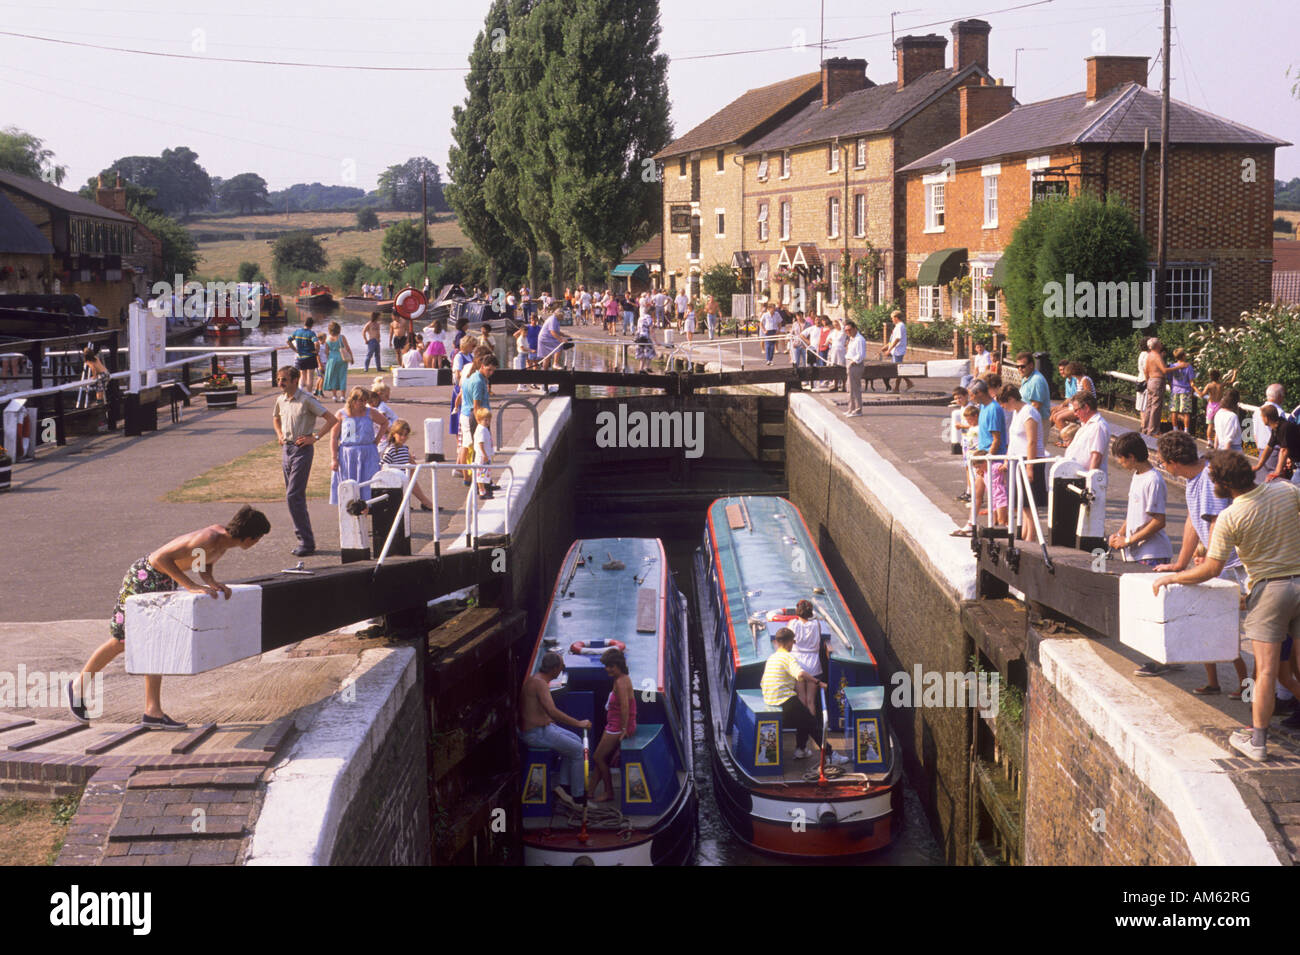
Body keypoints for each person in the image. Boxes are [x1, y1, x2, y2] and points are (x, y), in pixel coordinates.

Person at [1154, 451, 1300, 761]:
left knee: (1267, 672)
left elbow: (1210, 569)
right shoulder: (1286, 490)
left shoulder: (1229, 517)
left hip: (1270, 591)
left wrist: (1175, 577)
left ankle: (1257, 743)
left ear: (1220, 483)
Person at [69, 506, 270, 728]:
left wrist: (211, 582)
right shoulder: (210, 537)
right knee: (121, 641)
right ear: (251, 537)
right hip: (145, 577)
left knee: (153, 645)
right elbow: (162, 558)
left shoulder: (222, 543)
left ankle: (152, 711)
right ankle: (79, 685)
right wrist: (191, 585)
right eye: (259, 538)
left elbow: (201, 563)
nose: (257, 542)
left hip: (162, 581)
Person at [1153, 430, 1249, 692]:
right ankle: (1214, 682)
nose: (1163, 466)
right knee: (1207, 622)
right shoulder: (1195, 478)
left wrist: (1207, 558)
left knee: (1223, 627)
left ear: (1174, 462)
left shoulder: (1208, 479)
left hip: (1229, 566)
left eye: (1162, 461)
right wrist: (1180, 563)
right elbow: (1193, 521)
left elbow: (1217, 522)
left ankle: (1245, 685)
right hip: (1216, 563)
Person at [272, 367, 337, 557]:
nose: (280, 383)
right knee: (293, 497)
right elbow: (276, 418)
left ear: (294, 380)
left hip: (302, 451)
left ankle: (306, 542)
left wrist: (314, 437)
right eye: (278, 380)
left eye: (284, 380)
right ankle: (305, 541)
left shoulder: (306, 399)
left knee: (294, 496)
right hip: (287, 450)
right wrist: (279, 434)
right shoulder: (280, 400)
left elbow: (331, 419)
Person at [761, 628, 848, 763]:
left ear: (777, 642)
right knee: (812, 722)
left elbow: (763, 682)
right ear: (789, 642)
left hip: (770, 699)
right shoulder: (788, 657)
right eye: (793, 642)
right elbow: (800, 674)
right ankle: (830, 755)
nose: (793, 644)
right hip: (784, 700)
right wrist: (817, 682)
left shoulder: (772, 658)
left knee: (804, 718)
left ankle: (801, 750)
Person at [519, 652, 592, 803]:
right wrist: (578, 723)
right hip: (535, 733)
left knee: (576, 740)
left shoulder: (537, 680)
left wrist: (548, 719)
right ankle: (578, 797)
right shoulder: (539, 683)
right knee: (578, 750)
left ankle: (564, 787)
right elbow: (552, 711)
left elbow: (540, 711)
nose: (561, 670)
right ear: (554, 669)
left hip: (542, 728)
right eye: (562, 667)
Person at [1107, 432, 1170, 570]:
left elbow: (1159, 521)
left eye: (1121, 458)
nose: (1119, 462)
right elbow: (1134, 514)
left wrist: (1128, 541)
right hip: (1137, 554)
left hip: (1152, 555)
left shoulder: (1153, 480)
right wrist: (1120, 534)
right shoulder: (1137, 476)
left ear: (1131, 457)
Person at [997, 384, 1046, 541]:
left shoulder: (1029, 412)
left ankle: (1030, 537)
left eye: (1004, 403)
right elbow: (1014, 440)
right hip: (1017, 460)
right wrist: (1006, 460)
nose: (1003, 407)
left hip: (1030, 459)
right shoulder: (1017, 413)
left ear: (1011, 399)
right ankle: (1025, 534)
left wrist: (1030, 467)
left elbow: (1032, 441)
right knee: (1022, 502)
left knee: (1029, 501)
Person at [589, 647, 636, 802]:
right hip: (614, 725)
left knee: (598, 757)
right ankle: (590, 792)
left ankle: (609, 792)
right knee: (600, 758)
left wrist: (623, 729)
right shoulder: (620, 678)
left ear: (618, 665)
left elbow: (625, 706)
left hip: (618, 727)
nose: (607, 669)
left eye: (611, 666)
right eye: (606, 666)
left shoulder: (621, 682)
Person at [329, 387, 387, 507]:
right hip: (348, 455)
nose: (363, 404)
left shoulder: (370, 412)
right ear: (353, 400)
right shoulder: (341, 414)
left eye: (365, 400)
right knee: (349, 484)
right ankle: (349, 509)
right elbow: (334, 437)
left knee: (368, 482)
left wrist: (376, 440)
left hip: (368, 453)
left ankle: (368, 509)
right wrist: (334, 458)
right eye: (360, 400)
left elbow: (385, 422)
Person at [381, 419, 433, 511]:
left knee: (410, 477)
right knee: (409, 478)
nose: (403, 438)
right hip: (394, 480)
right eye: (400, 435)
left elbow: (413, 465)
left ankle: (421, 501)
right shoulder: (391, 450)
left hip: (404, 478)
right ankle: (425, 502)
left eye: (405, 435)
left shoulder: (404, 448)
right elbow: (383, 467)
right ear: (393, 434)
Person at [789, 600, 826, 713]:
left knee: (801, 698)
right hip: (813, 664)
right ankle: (812, 727)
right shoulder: (816, 624)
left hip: (798, 664)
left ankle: (802, 727)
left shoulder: (793, 624)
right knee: (811, 701)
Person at [1063, 392, 1110, 475]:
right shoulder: (1087, 424)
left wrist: (1089, 481)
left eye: (1076, 410)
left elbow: (1096, 457)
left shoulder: (1097, 426)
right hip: (1077, 476)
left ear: (1086, 408)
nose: (1075, 414)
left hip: (1084, 479)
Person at [1256, 404, 1300, 484]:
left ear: (1266, 418)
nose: (1261, 419)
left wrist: (1277, 472)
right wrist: (1258, 466)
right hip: (1297, 463)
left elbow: (1284, 450)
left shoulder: (1284, 427)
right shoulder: (1276, 428)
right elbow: (1269, 448)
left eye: (1261, 417)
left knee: (1294, 488)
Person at [1252, 384, 1288, 474]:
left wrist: (1260, 448)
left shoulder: (1258, 411)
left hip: (1262, 450)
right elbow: (1282, 435)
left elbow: (1255, 432)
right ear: (1279, 396)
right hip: (1275, 451)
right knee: (1274, 478)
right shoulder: (1279, 412)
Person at [1140, 338, 1170, 436]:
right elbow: (1164, 370)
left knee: (1149, 406)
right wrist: (1180, 366)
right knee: (1156, 407)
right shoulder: (1157, 356)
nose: (1161, 344)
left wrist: (1148, 379)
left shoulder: (1149, 355)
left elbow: (1145, 370)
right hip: (1157, 381)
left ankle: (1145, 428)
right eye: (1160, 343)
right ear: (1157, 345)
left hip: (1150, 380)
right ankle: (1153, 430)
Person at [286, 315, 321, 393]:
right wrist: (316, 351)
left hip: (300, 357)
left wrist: (295, 350)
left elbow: (288, 341)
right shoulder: (311, 333)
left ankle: (300, 392)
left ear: (304, 323)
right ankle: (309, 394)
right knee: (310, 377)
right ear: (312, 325)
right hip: (310, 357)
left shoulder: (297, 332)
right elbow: (317, 343)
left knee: (302, 376)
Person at [880, 310, 912, 392]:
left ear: (896, 318)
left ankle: (898, 387)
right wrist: (886, 347)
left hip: (898, 351)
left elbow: (897, 339)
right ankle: (907, 383)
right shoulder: (898, 326)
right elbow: (893, 339)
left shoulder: (900, 326)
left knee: (897, 369)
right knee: (898, 369)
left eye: (892, 318)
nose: (892, 320)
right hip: (896, 351)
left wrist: (889, 350)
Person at [321, 321, 352, 402]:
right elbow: (348, 348)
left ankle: (334, 396)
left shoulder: (327, 338)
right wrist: (351, 358)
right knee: (342, 377)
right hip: (342, 358)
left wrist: (328, 359)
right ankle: (342, 396)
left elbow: (326, 351)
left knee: (333, 377)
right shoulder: (342, 337)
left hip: (332, 359)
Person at [1168, 348, 1197, 433]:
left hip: (1175, 390)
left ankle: (1175, 429)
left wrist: (1172, 387)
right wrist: (1192, 390)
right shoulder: (1188, 367)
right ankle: (1186, 431)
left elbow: (1169, 379)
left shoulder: (1172, 366)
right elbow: (1191, 381)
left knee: (1174, 411)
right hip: (1185, 391)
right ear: (1184, 356)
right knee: (1186, 413)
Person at [1015, 352, 1050, 421]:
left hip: (1035, 422)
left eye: (1022, 366)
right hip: (1027, 419)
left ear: (1031, 365)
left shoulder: (1036, 380)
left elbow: (1036, 407)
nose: (1019, 369)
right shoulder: (1026, 377)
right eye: (1017, 366)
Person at [844, 320, 867, 418]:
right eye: (846, 330)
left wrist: (853, 362)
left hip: (855, 365)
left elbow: (860, 354)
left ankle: (858, 410)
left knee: (855, 388)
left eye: (849, 330)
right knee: (850, 388)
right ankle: (851, 409)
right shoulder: (851, 339)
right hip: (849, 362)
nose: (848, 332)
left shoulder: (859, 339)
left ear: (855, 329)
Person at [472, 407, 495, 500]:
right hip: (482, 456)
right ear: (479, 420)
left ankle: (484, 489)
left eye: (489, 420)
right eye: (485, 420)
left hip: (485, 455)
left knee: (485, 473)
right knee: (481, 474)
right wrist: (485, 454)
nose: (488, 422)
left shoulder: (484, 428)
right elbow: (480, 444)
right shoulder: (481, 430)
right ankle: (482, 491)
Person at [634, 306, 657, 372]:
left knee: (641, 353)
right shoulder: (649, 318)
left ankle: (641, 369)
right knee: (650, 351)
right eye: (654, 312)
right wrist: (656, 341)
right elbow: (651, 330)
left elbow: (638, 328)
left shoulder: (640, 317)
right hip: (646, 337)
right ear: (652, 312)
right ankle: (647, 367)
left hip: (639, 337)